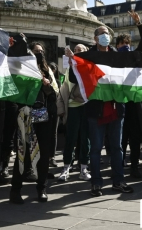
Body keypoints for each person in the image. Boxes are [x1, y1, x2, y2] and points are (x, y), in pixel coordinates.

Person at [65, 26, 134, 197]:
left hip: (116, 107)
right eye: (101, 34)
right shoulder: (88, 56)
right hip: (95, 108)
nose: (105, 36)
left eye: (107, 34)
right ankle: (96, 183)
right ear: (95, 38)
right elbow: (75, 79)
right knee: (95, 148)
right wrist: (73, 64)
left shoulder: (117, 56)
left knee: (117, 148)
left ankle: (119, 181)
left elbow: (128, 76)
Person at [9, 39, 58, 204]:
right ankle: (15, 190)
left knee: (43, 154)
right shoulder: (22, 70)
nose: (39, 53)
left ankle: (41, 188)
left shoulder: (48, 70)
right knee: (23, 153)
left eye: (41, 51)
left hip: (43, 115)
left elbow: (54, 94)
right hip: (26, 114)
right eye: (36, 51)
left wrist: (46, 86)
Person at [116, 10, 142, 178]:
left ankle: (134, 166)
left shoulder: (135, 56)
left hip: (134, 102)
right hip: (119, 102)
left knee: (135, 137)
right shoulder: (113, 59)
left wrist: (138, 24)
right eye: (122, 43)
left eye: (127, 43)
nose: (125, 45)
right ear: (116, 46)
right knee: (121, 138)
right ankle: (119, 166)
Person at [57, 44, 91, 182]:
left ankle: (83, 168)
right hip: (72, 107)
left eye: (80, 51)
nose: (76, 52)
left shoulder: (88, 67)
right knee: (70, 138)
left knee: (85, 139)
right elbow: (65, 87)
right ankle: (66, 167)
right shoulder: (68, 69)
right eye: (75, 50)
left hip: (85, 106)